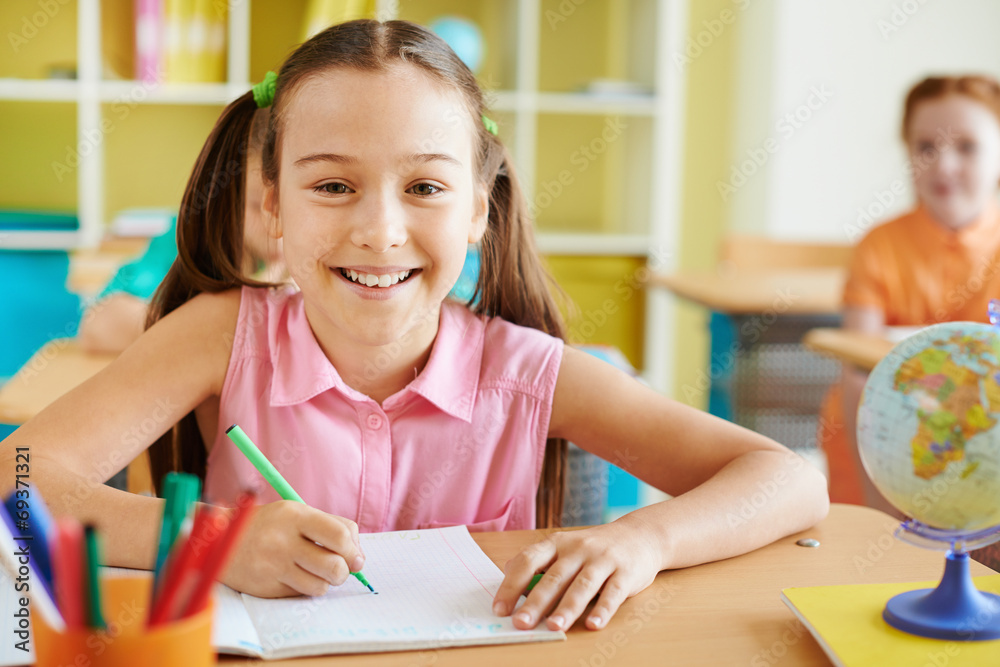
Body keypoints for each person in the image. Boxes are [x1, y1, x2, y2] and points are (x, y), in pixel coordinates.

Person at [3, 20, 828, 633]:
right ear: (272, 207)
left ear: (477, 210)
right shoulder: (221, 334)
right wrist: (215, 541)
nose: (380, 230)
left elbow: (790, 479)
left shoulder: (530, 371)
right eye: (332, 186)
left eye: (425, 188)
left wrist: (642, 539)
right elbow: (17, 473)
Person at [822, 74, 1000, 511]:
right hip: (879, 439)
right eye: (925, 147)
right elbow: (858, 370)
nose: (943, 165)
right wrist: (877, 505)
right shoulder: (880, 246)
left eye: (967, 147)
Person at [76, 107, 284, 355]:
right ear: (222, 202)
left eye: (289, 208)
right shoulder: (190, 238)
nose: (276, 225)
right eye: (257, 207)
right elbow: (98, 327)